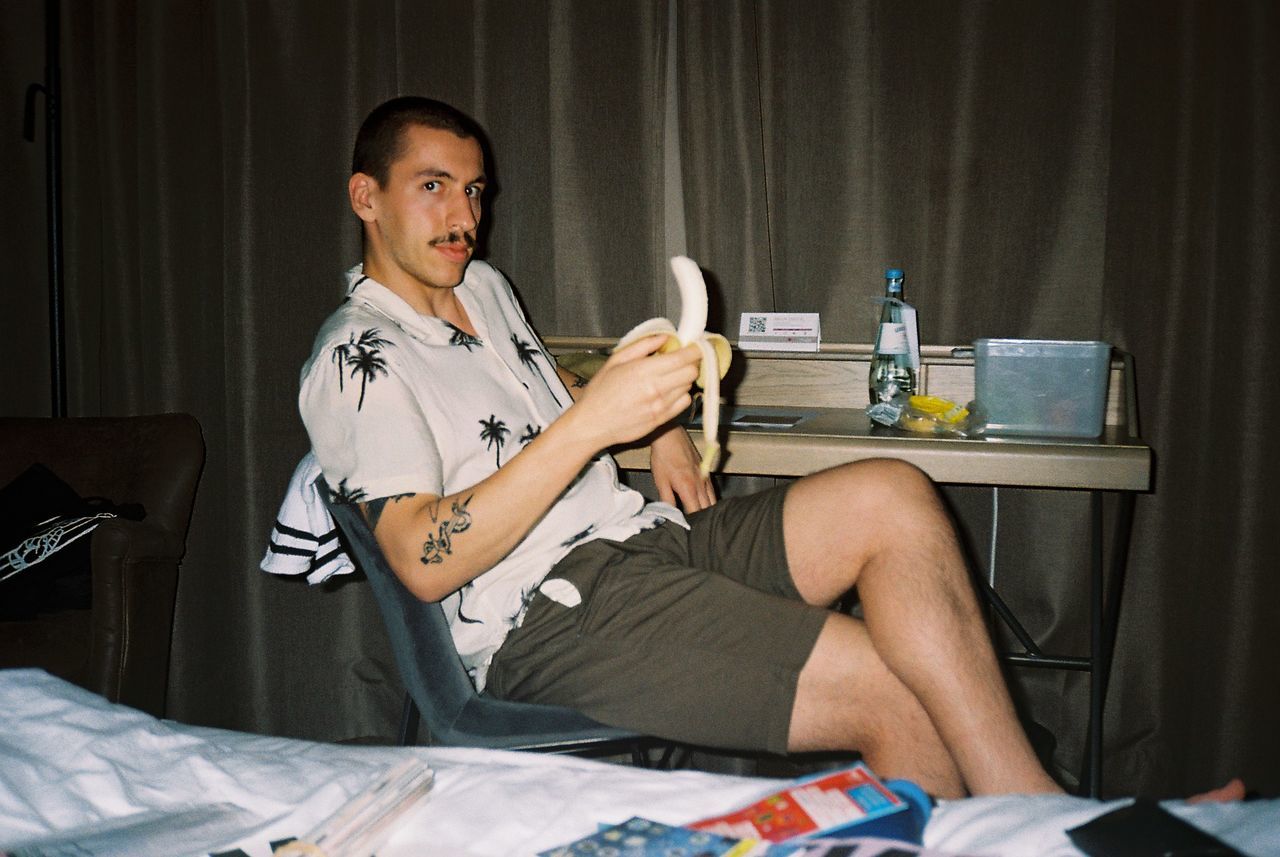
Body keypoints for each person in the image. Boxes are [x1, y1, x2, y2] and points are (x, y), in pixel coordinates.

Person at [298, 95, 1062, 799]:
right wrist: (592, 427)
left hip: (640, 542)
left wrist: (659, 428)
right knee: (892, 689)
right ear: (366, 196)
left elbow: (548, 377)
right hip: (544, 617)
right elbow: (421, 559)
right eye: (433, 186)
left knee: (892, 493)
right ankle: (1032, 831)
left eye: (473, 190)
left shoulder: (482, 287)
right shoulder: (356, 357)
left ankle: (1034, 806)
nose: (464, 214)